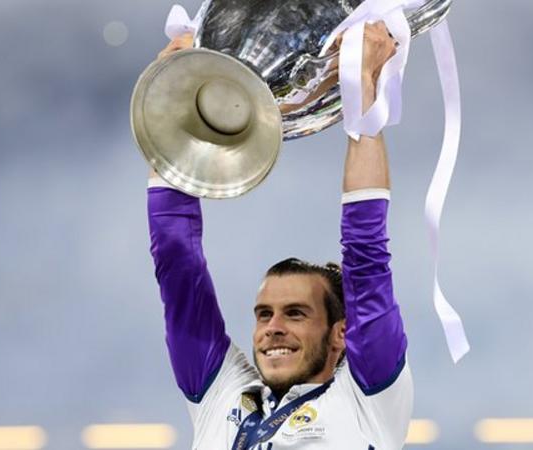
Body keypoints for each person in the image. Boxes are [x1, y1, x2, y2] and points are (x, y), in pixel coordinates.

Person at [146, 22, 412, 450]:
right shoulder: (223, 395)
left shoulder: (368, 398)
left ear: (341, 334)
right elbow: (176, 264)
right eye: (264, 313)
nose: (272, 328)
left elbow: (366, 254)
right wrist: (174, 100)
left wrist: (362, 82)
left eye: (296, 313)